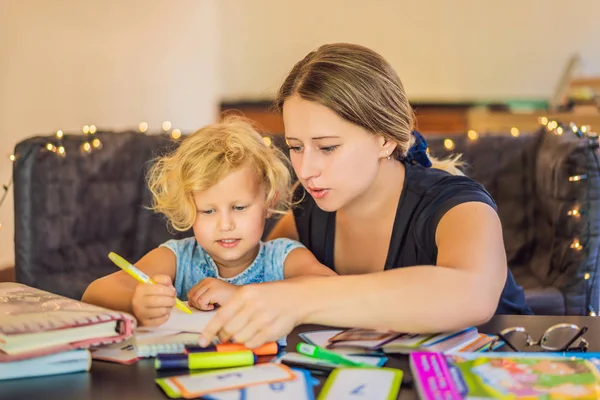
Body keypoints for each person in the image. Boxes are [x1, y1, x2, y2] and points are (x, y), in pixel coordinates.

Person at [197, 43, 532, 349]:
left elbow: (472, 293)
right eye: (296, 147)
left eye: (328, 147)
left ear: (385, 139)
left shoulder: (458, 205)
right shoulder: (307, 210)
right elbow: (256, 275)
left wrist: (300, 297)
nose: (306, 169)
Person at [82, 118, 335, 326]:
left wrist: (241, 296)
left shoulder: (282, 258)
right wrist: (135, 301)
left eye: (238, 207)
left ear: (268, 202)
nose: (225, 225)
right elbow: (93, 293)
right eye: (207, 211)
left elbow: (332, 289)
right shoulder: (178, 258)